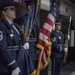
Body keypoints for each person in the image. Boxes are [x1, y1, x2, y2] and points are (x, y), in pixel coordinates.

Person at [0, 2, 35, 75]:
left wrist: (25, 42)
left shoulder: (15, 26)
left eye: (15, 9)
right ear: (4, 12)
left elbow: (21, 36)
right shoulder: (2, 26)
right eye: (11, 9)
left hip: (19, 60)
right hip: (8, 65)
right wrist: (13, 65)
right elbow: (2, 48)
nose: (14, 11)